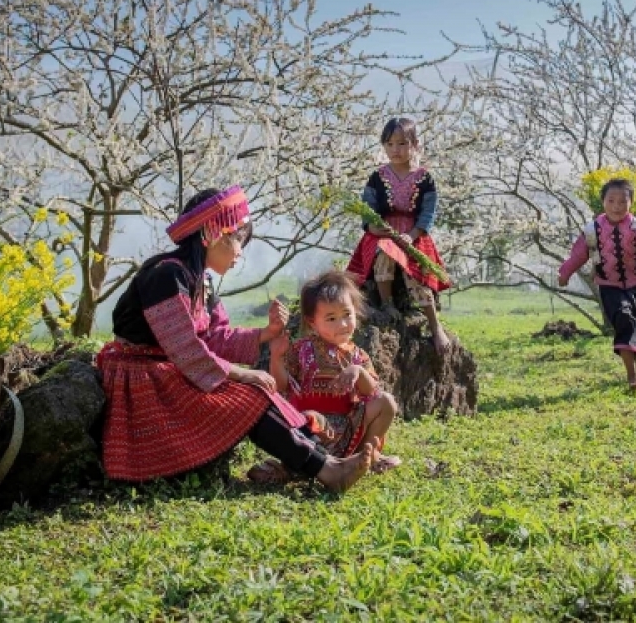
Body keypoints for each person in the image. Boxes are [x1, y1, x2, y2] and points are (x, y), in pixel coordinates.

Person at [97, 186, 376, 492]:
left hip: (171, 370)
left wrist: (266, 333)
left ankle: (327, 462)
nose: (240, 253)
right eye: (238, 241)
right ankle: (327, 469)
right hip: (142, 376)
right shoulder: (166, 276)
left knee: (254, 392)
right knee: (250, 394)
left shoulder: (200, 279)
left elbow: (216, 337)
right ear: (213, 234)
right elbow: (186, 349)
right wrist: (243, 373)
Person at [271, 270, 401, 472]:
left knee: (387, 402)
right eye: (331, 318)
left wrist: (357, 371)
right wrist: (276, 358)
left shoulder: (358, 355)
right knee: (308, 417)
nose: (342, 324)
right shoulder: (301, 349)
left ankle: (366, 455)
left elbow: (371, 392)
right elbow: (282, 386)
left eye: (347, 315)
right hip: (314, 429)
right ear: (312, 321)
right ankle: (299, 465)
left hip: (349, 428)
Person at [346, 117, 453, 354]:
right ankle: (387, 304)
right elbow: (368, 207)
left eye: (403, 143)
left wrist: (412, 234)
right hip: (382, 233)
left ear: (414, 144)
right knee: (384, 251)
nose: (396, 150)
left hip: (414, 235)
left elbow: (428, 212)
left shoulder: (425, 178)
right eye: (390, 144)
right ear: (384, 145)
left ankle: (435, 327)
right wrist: (372, 227)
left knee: (417, 271)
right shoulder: (377, 177)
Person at [558, 178, 636, 390]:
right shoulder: (592, 230)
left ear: (631, 203)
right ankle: (632, 376)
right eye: (611, 201)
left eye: (622, 202)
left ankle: (634, 365)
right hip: (609, 286)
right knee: (624, 318)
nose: (616, 206)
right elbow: (579, 254)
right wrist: (565, 273)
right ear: (603, 202)